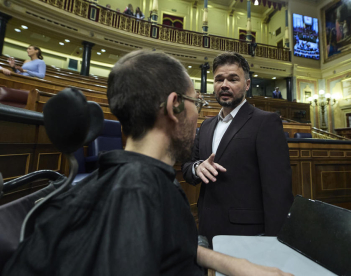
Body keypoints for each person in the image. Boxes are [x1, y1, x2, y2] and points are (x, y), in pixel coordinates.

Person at [2, 51, 292, 276]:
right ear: (174, 106)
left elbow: (164, 241)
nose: (199, 112)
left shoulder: (131, 181)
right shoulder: (139, 194)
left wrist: (225, 262)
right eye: (196, 102)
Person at [182, 52, 293, 245]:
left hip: (248, 234)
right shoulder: (206, 126)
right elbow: (188, 166)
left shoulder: (265, 122)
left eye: (233, 79)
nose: (225, 84)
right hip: (207, 228)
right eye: (219, 79)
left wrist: (276, 242)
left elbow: (278, 191)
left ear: (247, 85)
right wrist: (197, 167)